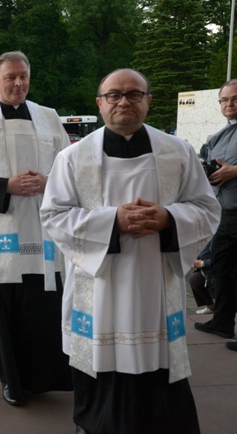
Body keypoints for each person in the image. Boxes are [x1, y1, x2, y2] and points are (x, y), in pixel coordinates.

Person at [40, 68, 220, 433]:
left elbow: (206, 208)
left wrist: (169, 218)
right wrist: (112, 222)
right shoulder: (72, 158)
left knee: (159, 374)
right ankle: (96, 422)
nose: (124, 102)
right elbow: (53, 216)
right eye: (114, 95)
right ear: (100, 103)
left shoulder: (178, 152)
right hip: (99, 286)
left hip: (154, 281)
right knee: (100, 363)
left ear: (148, 101)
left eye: (134, 94)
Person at [0, 51, 72, 406]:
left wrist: (49, 180)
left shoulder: (49, 118)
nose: (18, 83)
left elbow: (69, 166)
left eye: (23, 77)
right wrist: (7, 185)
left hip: (41, 232)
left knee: (42, 309)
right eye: (10, 78)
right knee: (3, 313)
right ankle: (12, 382)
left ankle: (44, 377)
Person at [194, 79, 237, 352]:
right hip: (225, 213)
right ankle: (222, 321)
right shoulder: (220, 135)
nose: (229, 104)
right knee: (222, 269)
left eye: (235, 98)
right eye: (224, 99)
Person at [189, 241, 214, 315]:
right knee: (195, 279)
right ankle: (211, 306)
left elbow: (222, 259)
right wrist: (196, 261)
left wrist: (203, 263)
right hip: (211, 269)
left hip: (226, 271)